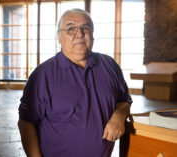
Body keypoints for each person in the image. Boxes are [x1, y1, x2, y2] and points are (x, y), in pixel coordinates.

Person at [18, 8, 132, 157]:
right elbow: (26, 122)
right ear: (59, 37)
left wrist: (119, 115)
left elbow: (124, 100)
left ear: (92, 34)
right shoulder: (42, 75)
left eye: (86, 28)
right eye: (71, 29)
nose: (79, 33)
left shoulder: (110, 65)